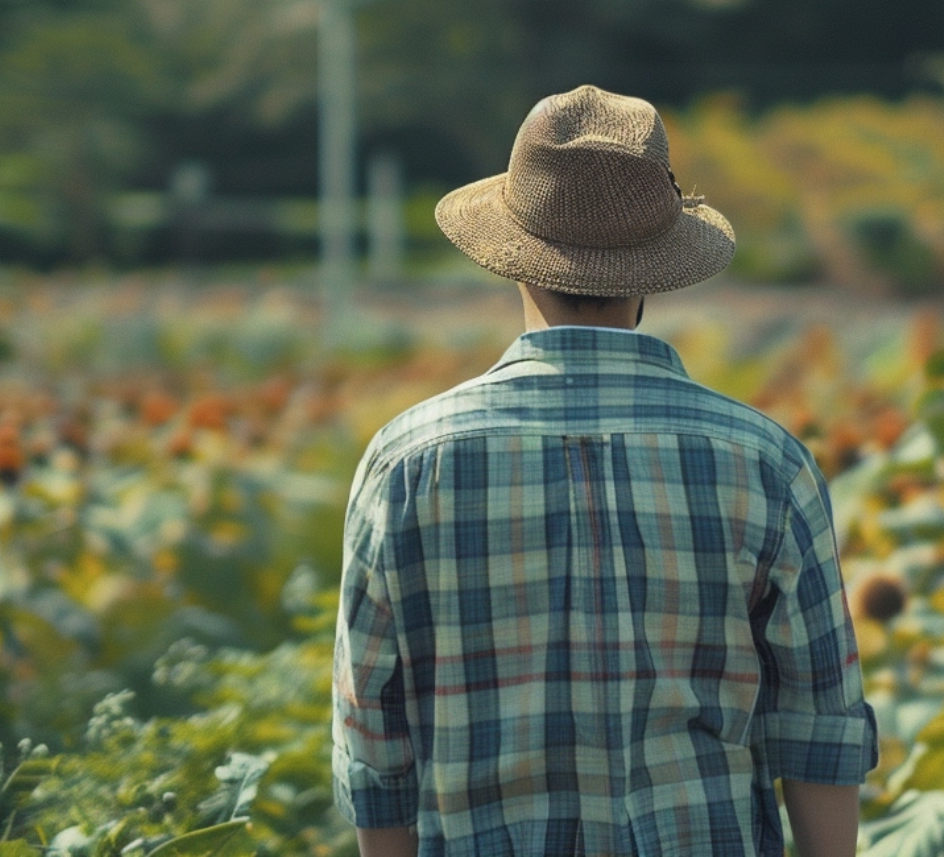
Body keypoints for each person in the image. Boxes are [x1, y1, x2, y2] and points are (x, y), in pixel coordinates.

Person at [332, 85, 877, 857]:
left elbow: (373, 739)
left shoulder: (407, 462)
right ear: (652, 274)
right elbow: (820, 726)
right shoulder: (763, 460)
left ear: (513, 261)